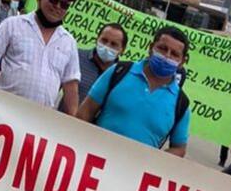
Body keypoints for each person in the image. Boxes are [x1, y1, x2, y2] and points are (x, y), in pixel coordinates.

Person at [75, 26, 189, 156]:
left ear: (182, 62)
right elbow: (85, 113)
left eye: (174, 54)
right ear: (151, 48)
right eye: (162, 48)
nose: (166, 56)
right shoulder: (119, 71)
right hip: (94, 161)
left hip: (134, 174)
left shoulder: (181, 103)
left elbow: (179, 148)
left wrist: (155, 160)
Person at [0, 0, 80, 115]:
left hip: (38, 123)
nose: (58, 7)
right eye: (53, 0)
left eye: (64, 5)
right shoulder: (12, 25)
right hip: (1, 113)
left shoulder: (69, 42)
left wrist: (77, 128)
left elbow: (71, 87)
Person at [77, 21, 128, 101]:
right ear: (97, 39)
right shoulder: (77, 57)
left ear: (122, 50)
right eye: (104, 40)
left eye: (113, 44)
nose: (107, 46)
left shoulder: (123, 74)